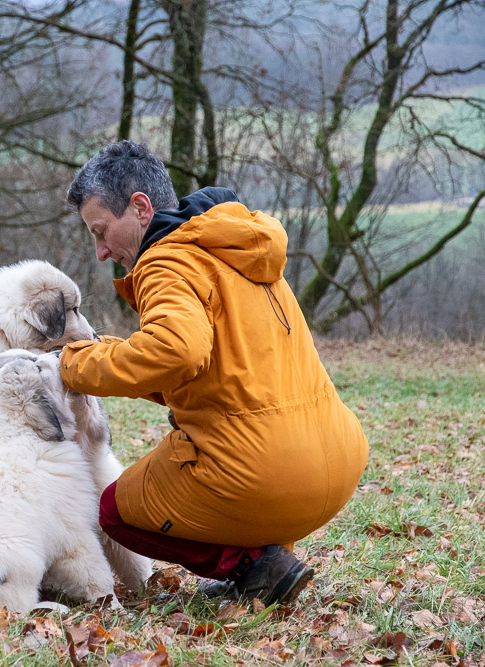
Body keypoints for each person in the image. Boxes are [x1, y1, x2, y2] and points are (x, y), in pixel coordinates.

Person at [59, 140, 369, 606]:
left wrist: (72, 364)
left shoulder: (165, 260)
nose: (101, 251)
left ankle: (254, 566)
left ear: (140, 208)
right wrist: (109, 350)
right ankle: (270, 559)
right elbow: (215, 370)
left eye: (101, 231)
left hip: (265, 476)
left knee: (113, 512)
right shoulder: (235, 244)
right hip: (340, 462)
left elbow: (178, 350)